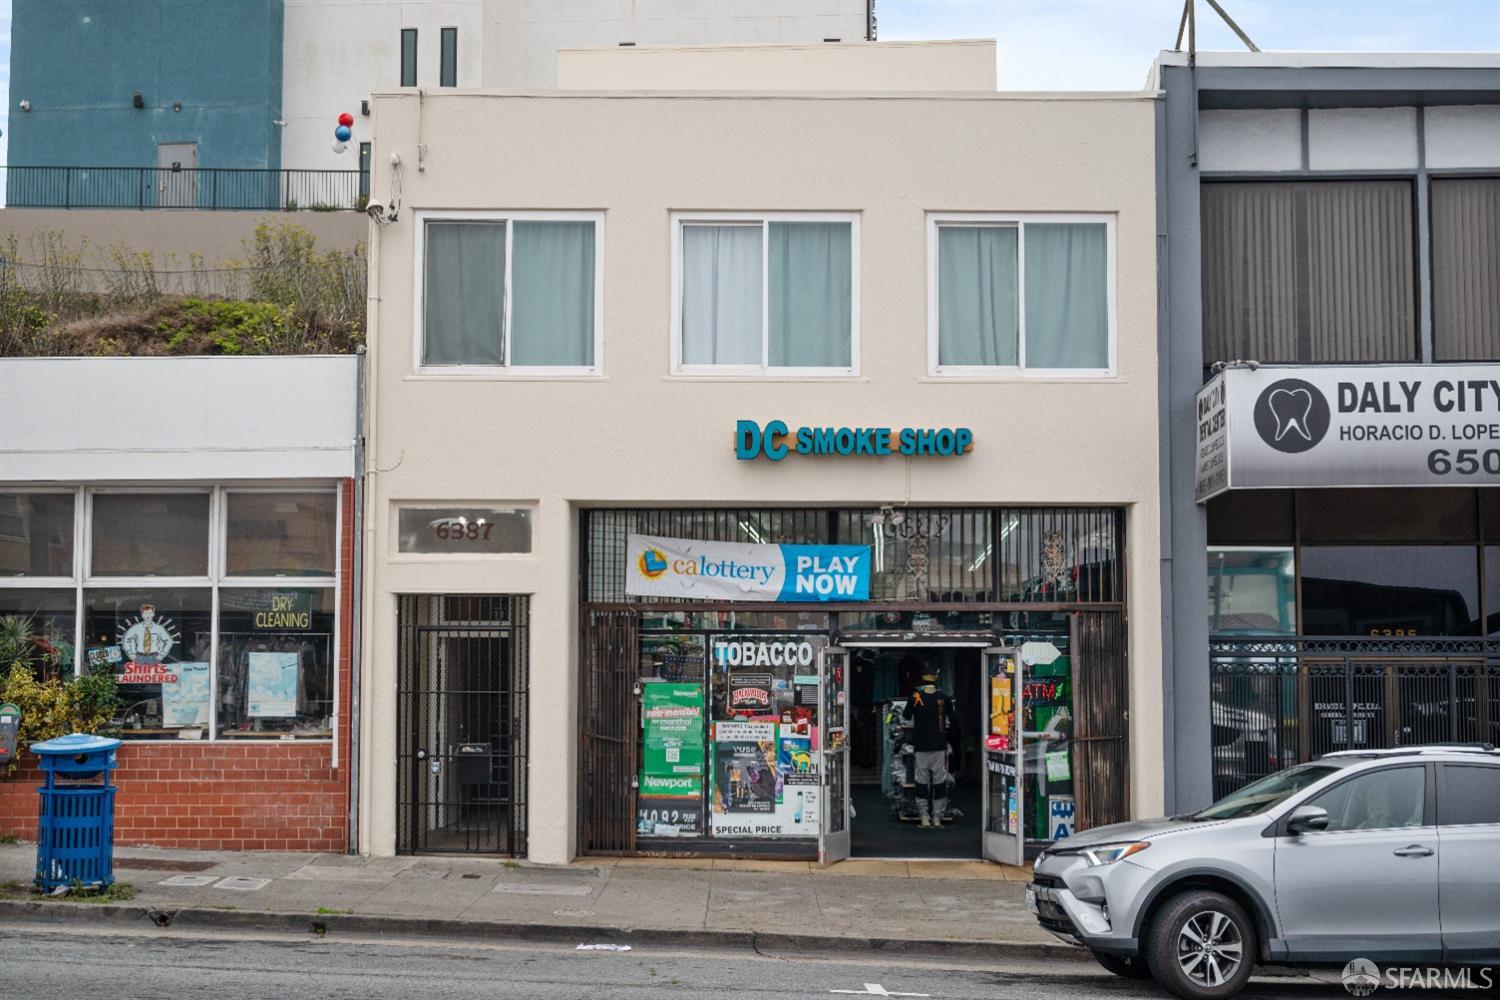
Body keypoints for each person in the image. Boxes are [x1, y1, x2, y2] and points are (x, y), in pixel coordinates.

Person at [901, 668, 953, 828]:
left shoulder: (915, 697)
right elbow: (952, 721)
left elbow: (906, 716)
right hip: (939, 745)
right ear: (936, 679)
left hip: (921, 746)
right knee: (940, 782)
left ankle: (924, 816)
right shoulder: (944, 698)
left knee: (921, 782)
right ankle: (937, 817)